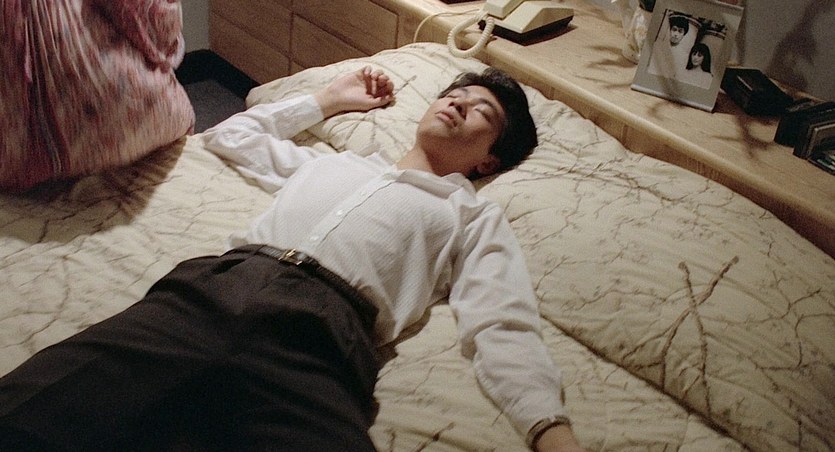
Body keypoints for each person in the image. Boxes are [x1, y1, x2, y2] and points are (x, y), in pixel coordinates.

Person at [0, 66, 585, 452]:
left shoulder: (470, 216)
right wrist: (326, 100)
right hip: (213, 291)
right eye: (455, 93)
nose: (458, 103)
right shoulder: (335, 164)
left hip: (323, 336)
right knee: (30, 409)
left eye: (482, 111)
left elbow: (501, 319)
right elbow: (231, 137)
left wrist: (549, 430)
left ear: (488, 161)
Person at [647, 12, 692, 80]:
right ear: (670, 30)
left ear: (684, 34)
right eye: (674, 29)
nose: (676, 34)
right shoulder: (657, 45)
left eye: (680, 31)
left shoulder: (684, 56)